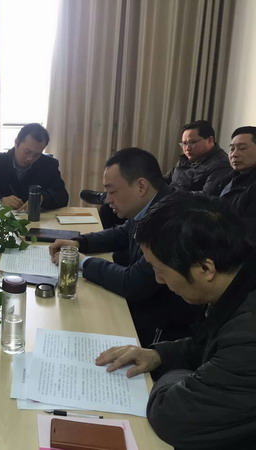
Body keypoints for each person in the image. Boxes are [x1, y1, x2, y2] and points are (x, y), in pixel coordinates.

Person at [96, 193, 256, 450]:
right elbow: (210, 345)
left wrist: (184, 377)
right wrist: (158, 355)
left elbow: (172, 416)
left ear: (205, 269)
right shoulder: (238, 284)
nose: (158, 280)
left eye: (160, 270)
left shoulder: (248, 337)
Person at [49, 148, 200, 346]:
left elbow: (132, 283)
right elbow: (122, 233)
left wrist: (82, 262)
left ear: (141, 186)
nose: (107, 199)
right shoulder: (156, 204)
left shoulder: (171, 221)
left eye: (112, 191)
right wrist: (80, 242)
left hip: (160, 330)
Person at [81, 120, 232, 227]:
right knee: (110, 209)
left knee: (114, 210)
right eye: (184, 143)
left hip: (181, 210)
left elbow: (206, 197)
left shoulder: (220, 165)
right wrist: (149, 181)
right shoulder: (185, 160)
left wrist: (168, 193)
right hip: (167, 199)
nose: (187, 148)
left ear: (210, 140)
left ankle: (105, 197)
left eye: (192, 142)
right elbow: (166, 178)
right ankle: (110, 196)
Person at [0, 123, 69, 210]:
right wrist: (0, 199)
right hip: (0, 221)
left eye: (37, 155)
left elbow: (62, 197)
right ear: (16, 142)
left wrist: (43, 198)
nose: (30, 158)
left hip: (37, 221)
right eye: (27, 152)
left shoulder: (49, 165)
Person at [211, 126, 256, 235]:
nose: (234, 154)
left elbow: (248, 231)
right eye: (232, 149)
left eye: (242, 148)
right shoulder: (226, 177)